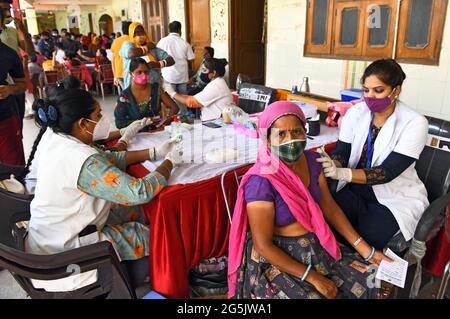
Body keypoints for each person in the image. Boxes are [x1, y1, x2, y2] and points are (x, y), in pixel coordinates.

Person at [24, 88, 184, 292]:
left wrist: (155, 152)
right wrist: (170, 162)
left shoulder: (58, 139)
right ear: (82, 123)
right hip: (67, 252)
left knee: (135, 213)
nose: (102, 119)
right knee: (155, 234)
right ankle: (152, 278)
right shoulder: (82, 159)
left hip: (49, 236)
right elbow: (138, 192)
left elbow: (109, 158)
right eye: (98, 115)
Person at [228, 101, 392, 299]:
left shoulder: (314, 162)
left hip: (317, 246)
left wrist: (366, 250)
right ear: (267, 140)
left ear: (305, 132)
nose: (291, 140)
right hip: (277, 256)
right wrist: (312, 278)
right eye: (281, 134)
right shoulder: (261, 182)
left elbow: (330, 208)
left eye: (296, 132)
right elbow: (263, 246)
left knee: (373, 281)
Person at [316, 59, 429, 250]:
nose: (370, 96)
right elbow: (342, 151)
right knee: (327, 221)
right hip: (354, 188)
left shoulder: (414, 123)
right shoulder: (355, 113)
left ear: (396, 90)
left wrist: (343, 173)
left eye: (378, 90)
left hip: (393, 195)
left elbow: (387, 172)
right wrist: (334, 164)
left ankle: (365, 276)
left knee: (370, 237)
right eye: (366, 90)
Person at [114, 58, 179, 129]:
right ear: (131, 73)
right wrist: (144, 122)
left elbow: (174, 107)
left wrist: (167, 121)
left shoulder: (155, 89)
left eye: (146, 72)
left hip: (156, 133)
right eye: (139, 72)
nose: (143, 75)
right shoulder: (124, 97)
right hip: (136, 135)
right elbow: (119, 123)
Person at [168, 57, 233, 122]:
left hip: (216, 123)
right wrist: (177, 95)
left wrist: (172, 93)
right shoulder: (217, 82)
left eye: (204, 70)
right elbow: (193, 98)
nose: (202, 73)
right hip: (213, 121)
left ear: (213, 73)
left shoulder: (216, 85)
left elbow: (192, 102)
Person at [119, 22, 175, 89]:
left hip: (153, 87)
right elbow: (132, 53)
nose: (138, 35)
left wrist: (158, 64)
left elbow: (171, 60)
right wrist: (147, 47)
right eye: (135, 33)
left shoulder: (152, 49)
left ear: (145, 33)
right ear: (131, 35)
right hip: (133, 89)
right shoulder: (128, 45)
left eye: (141, 32)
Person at [157, 21, 195, 115]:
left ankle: (172, 119)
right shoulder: (184, 43)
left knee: (170, 99)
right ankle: (183, 117)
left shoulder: (162, 41)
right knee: (183, 99)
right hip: (182, 76)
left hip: (168, 76)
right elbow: (191, 59)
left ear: (169, 30)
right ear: (179, 30)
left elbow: (157, 56)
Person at [0, 36, 26, 165]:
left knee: (14, 167)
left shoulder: (8, 54)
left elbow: (22, 84)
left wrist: (9, 89)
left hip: (4, 119)